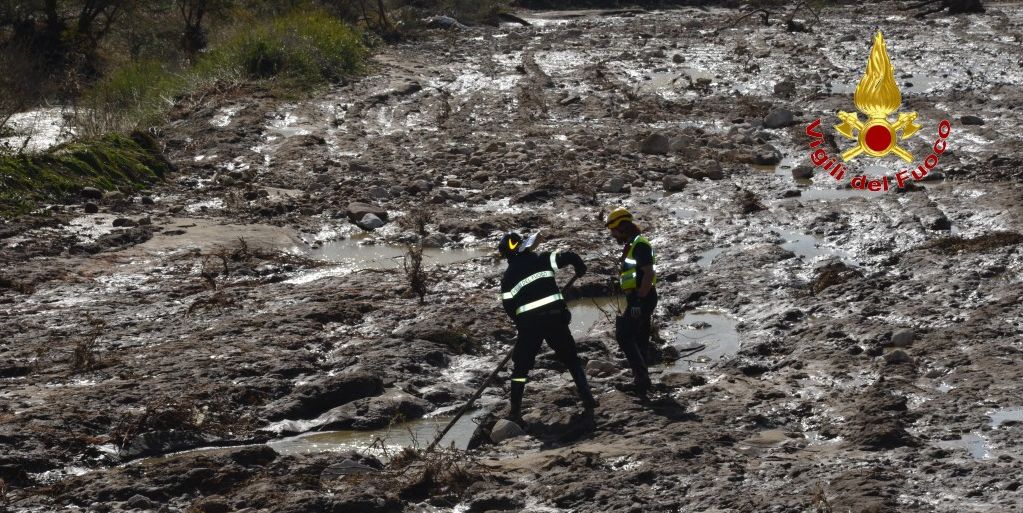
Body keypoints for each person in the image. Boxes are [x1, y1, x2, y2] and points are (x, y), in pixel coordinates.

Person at [498, 231, 597, 422]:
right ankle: (588, 398)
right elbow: (569, 256)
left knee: (520, 369)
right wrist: (580, 267)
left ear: (507, 255)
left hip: (529, 327)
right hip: (555, 320)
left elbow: (509, 308)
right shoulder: (543, 259)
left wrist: (523, 326)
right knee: (571, 359)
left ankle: (515, 412)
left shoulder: (508, 278)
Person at [605, 207, 658, 397]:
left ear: (621, 226)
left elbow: (648, 274)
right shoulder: (632, 243)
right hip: (638, 298)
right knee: (640, 337)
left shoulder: (640, 245)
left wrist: (638, 301)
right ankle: (642, 380)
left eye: (613, 230)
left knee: (624, 335)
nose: (612, 235)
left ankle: (641, 380)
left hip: (642, 299)